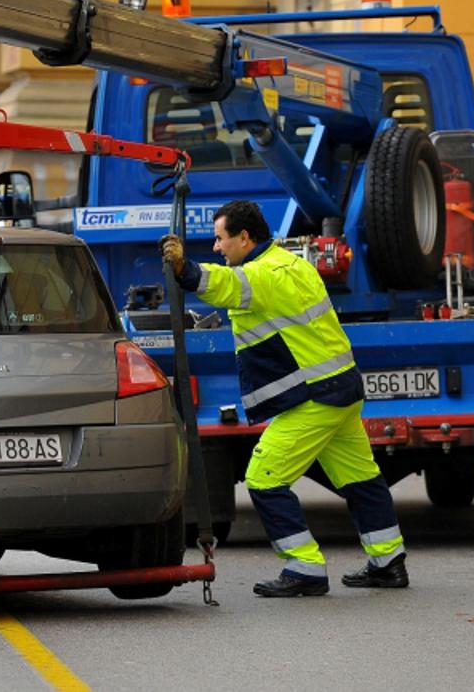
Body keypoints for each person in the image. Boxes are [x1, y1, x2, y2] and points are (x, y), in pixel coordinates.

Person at [160, 200, 408, 597]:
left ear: (245, 237)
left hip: (315, 397)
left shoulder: (260, 276)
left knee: (264, 478)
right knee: (361, 479)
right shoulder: (293, 264)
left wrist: (182, 269)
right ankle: (388, 561)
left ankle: (304, 568)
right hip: (341, 388)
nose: (217, 247)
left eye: (221, 239)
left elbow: (223, 285)